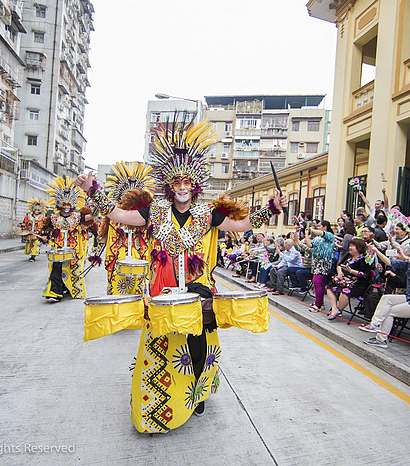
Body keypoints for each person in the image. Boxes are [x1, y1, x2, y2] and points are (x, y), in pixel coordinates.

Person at [77, 115, 288, 433]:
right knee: (162, 350)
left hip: (198, 295)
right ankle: (157, 409)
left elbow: (242, 225)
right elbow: (118, 214)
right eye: (176, 183)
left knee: (197, 348)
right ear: (169, 186)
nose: (182, 188)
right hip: (162, 295)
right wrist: (91, 189)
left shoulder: (207, 215)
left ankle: (198, 391)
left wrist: (271, 207)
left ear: (195, 185)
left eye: (187, 183)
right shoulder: (156, 212)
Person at [360, 241, 410, 348]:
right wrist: (375, 250)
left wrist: (407, 258)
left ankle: (381, 340)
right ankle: (374, 324)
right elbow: (389, 262)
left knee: (389, 312)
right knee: (387, 299)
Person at [98, 161, 154, 295]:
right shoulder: (114, 214)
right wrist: (97, 252)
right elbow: (105, 235)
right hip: (119, 255)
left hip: (140, 254)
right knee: (118, 287)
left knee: (140, 287)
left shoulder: (147, 214)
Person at [40, 176, 94, 302]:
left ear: (73, 205)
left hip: (74, 249)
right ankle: (54, 292)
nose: (66, 206)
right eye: (64, 204)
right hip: (58, 249)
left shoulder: (77, 217)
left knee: (72, 269)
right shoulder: (53, 218)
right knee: (56, 268)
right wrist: (45, 236)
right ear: (59, 204)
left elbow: (91, 217)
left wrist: (96, 206)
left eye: (68, 204)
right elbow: (45, 229)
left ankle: (68, 288)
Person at [325, 238, 372, 321]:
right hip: (345, 279)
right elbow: (339, 265)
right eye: (350, 246)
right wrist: (339, 272)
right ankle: (334, 308)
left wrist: (351, 271)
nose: (350, 248)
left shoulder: (365, 260)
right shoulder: (349, 256)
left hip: (359, 283)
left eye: (352, 246)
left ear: (359, 248)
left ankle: (339, 309)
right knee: (330, 286)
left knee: (345, 291)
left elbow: (365, 274)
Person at [307, 220, 335, 312]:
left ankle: (318, 304)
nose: (317, 227)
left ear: (325, 227)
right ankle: (320, 302)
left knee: (317, 281)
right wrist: (306, 234)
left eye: (319, 226)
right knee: (319, 283)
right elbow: (310, 245)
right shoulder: (317, 238)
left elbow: (321, 233)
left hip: (324, 262)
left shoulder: (330, 236)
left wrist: (313, 230)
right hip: (316, 262)